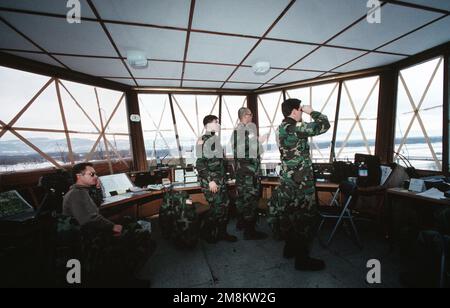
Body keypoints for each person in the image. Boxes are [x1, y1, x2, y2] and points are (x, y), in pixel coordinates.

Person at [62, 162, 154, 286]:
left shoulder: (82, 191)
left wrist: (98, 188)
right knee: (142, 237)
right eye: (92, 174)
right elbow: (89, 219)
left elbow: (96, 205)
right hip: (88, 240)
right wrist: (112, 226)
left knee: (128, 221)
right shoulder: (76, 194)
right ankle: (125, 278)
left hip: (90, 233)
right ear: (79, 176)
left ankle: (122, 274)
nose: (96, 176)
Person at [269, 99, 330, 271]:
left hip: (288, 181)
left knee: (290, 216)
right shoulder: (295, 128)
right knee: (305, 220)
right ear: (295, 111)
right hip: (301, 183)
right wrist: (312, 111)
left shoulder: (281, 128)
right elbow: (324, 125)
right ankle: (302, 260)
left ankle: (290, 249)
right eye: (300, 110)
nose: (302, 113)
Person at [196, 115, 237, 244]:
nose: (218, 124)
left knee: (225, 206)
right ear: (208, 125)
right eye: (216, 122)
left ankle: (222, 233)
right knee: (217, 208)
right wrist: (210, 181)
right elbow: (200, 164)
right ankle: (205, 232)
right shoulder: (203, 140)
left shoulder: (215, 139)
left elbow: (218, 163)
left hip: (220, 180)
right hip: (212, 182)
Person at [232, 107, 268, 240]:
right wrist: (259, 141)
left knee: (243, 200)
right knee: (250, 202)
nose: (252, 117)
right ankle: (250, 232)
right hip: (248, 174)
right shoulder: (241, 131)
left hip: (245, 173)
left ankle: (242, 224)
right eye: (250, 114)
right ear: (245, 116)